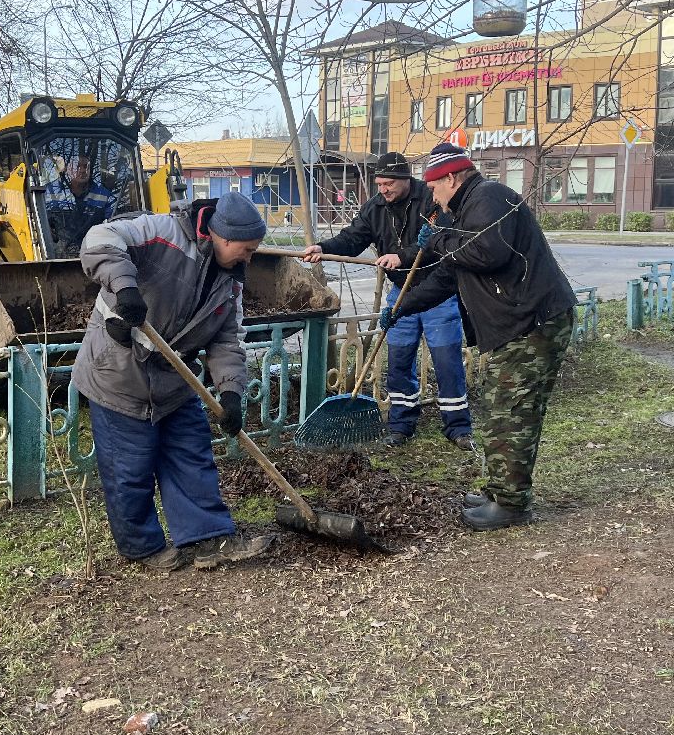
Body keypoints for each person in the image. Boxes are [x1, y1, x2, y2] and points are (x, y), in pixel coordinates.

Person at [73, 190, 274, 570]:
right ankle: (143, 547)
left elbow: (227, 340)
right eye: (247, 249)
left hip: (175, 381)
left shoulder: (230, 284)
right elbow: (100, 238)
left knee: (191, 457)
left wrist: (231, 392)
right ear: (224, 237)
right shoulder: (163, 232)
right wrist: (125, 287)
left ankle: (207, 537)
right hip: (117, 373)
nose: (249, 258)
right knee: (129, 470)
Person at [384, 142, 578, 531]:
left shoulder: (489, 197)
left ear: (452, 178)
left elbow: (488, 252)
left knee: (511, 411)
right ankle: (500, 491)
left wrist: (437, 239)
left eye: (434, 187)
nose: (432, 196)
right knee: (501, 408)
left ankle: (510, 504)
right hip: (519, 322)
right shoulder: (467, 211)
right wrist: (405, 305)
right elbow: (448, 275)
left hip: (533, 322)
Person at [302, 151, 473, 450]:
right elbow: (352, 238)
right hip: (401, 293)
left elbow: (441, 241)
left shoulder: (433, 199)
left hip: (437, 293)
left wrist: (402, 256)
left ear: (405, 179)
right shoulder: (376, 207)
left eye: (389, 183)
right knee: (399, 361)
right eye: (379, 184)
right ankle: (401, 425)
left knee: (447, 362)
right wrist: (323, 247)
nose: (383, 189)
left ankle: (458, 428)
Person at [47, 154, 117, 254]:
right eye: (78, 166)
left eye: (86, 166)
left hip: (94, 250)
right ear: (67, 168)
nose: (83, 170)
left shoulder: (103, 196)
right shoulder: (50, 192)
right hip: (57, 252)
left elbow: (112, 224)